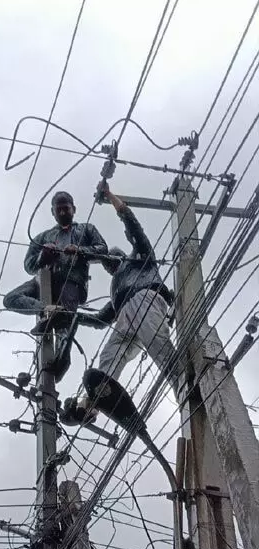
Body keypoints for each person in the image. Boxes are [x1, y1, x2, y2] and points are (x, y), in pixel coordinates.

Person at [67, 180, 178, 424]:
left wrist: (111, 198)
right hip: (126, 314)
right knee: (110, 356)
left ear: (118, 256)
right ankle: (91, 406)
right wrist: (70, 315)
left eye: (109, 261)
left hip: (145, 298)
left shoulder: (139, 258)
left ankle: (183, 381)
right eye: (106, 266)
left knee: (155, 341)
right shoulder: (115, 289)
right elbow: (99, 319)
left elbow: (134, 226)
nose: (108, 267)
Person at [23, 190, 109, 320]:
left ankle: (61, 328)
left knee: (64, 320)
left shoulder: (86, 229)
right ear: (53, 212)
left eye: (66, 209)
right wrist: (42, 256)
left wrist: (79, 250)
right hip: (45, 282)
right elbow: (28, 266)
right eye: (58, 210)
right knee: (11, 298)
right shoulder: (43, 237)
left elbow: (103, 249)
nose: (62, 213)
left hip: (72, 281)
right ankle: (44, 309)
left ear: (73, 209)